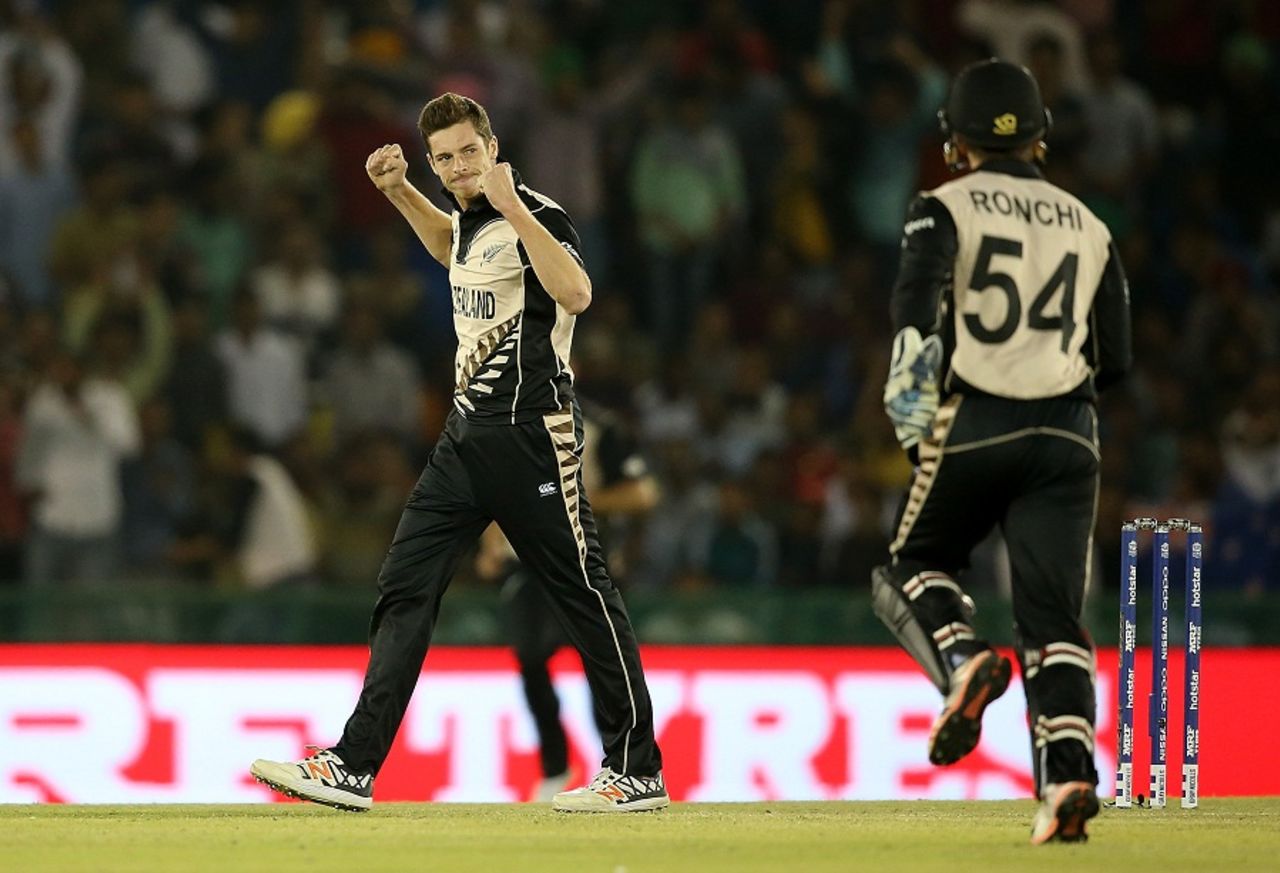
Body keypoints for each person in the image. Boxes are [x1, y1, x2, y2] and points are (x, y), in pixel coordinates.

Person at [250, 92, 668, 813]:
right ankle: (353, 765)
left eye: (469, 151)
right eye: (443, 158)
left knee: (583, 596)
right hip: (465, 438)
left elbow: (576, 292)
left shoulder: (536, 214)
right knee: (403, 583)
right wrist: (399, 191)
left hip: (533, 436)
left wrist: (514, 206)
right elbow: (452, 249)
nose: (458, 167)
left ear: (493, 147)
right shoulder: (470, 221)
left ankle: (637, 769)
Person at [870, 60, 1131, 844]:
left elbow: (915, 303)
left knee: (910, 567)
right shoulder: (1090, 225)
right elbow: (1116, 358)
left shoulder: (941, 206)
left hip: (978, 416)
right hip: (1069, 430)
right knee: (1055, 619)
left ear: (956, 142)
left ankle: (961, 661)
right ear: (1040, 138)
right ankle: (1069, 780)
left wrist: (911, 396)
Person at [474, 399, 660, 801]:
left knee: (600, 663)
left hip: (582, 560)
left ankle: (619, 766)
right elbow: (497, 487)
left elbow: (643, 494)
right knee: (529, 655)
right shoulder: (506, 419)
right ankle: (556, 766)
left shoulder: (600, 426)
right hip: (524, 564)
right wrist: (490, 542)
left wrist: (572, 500)